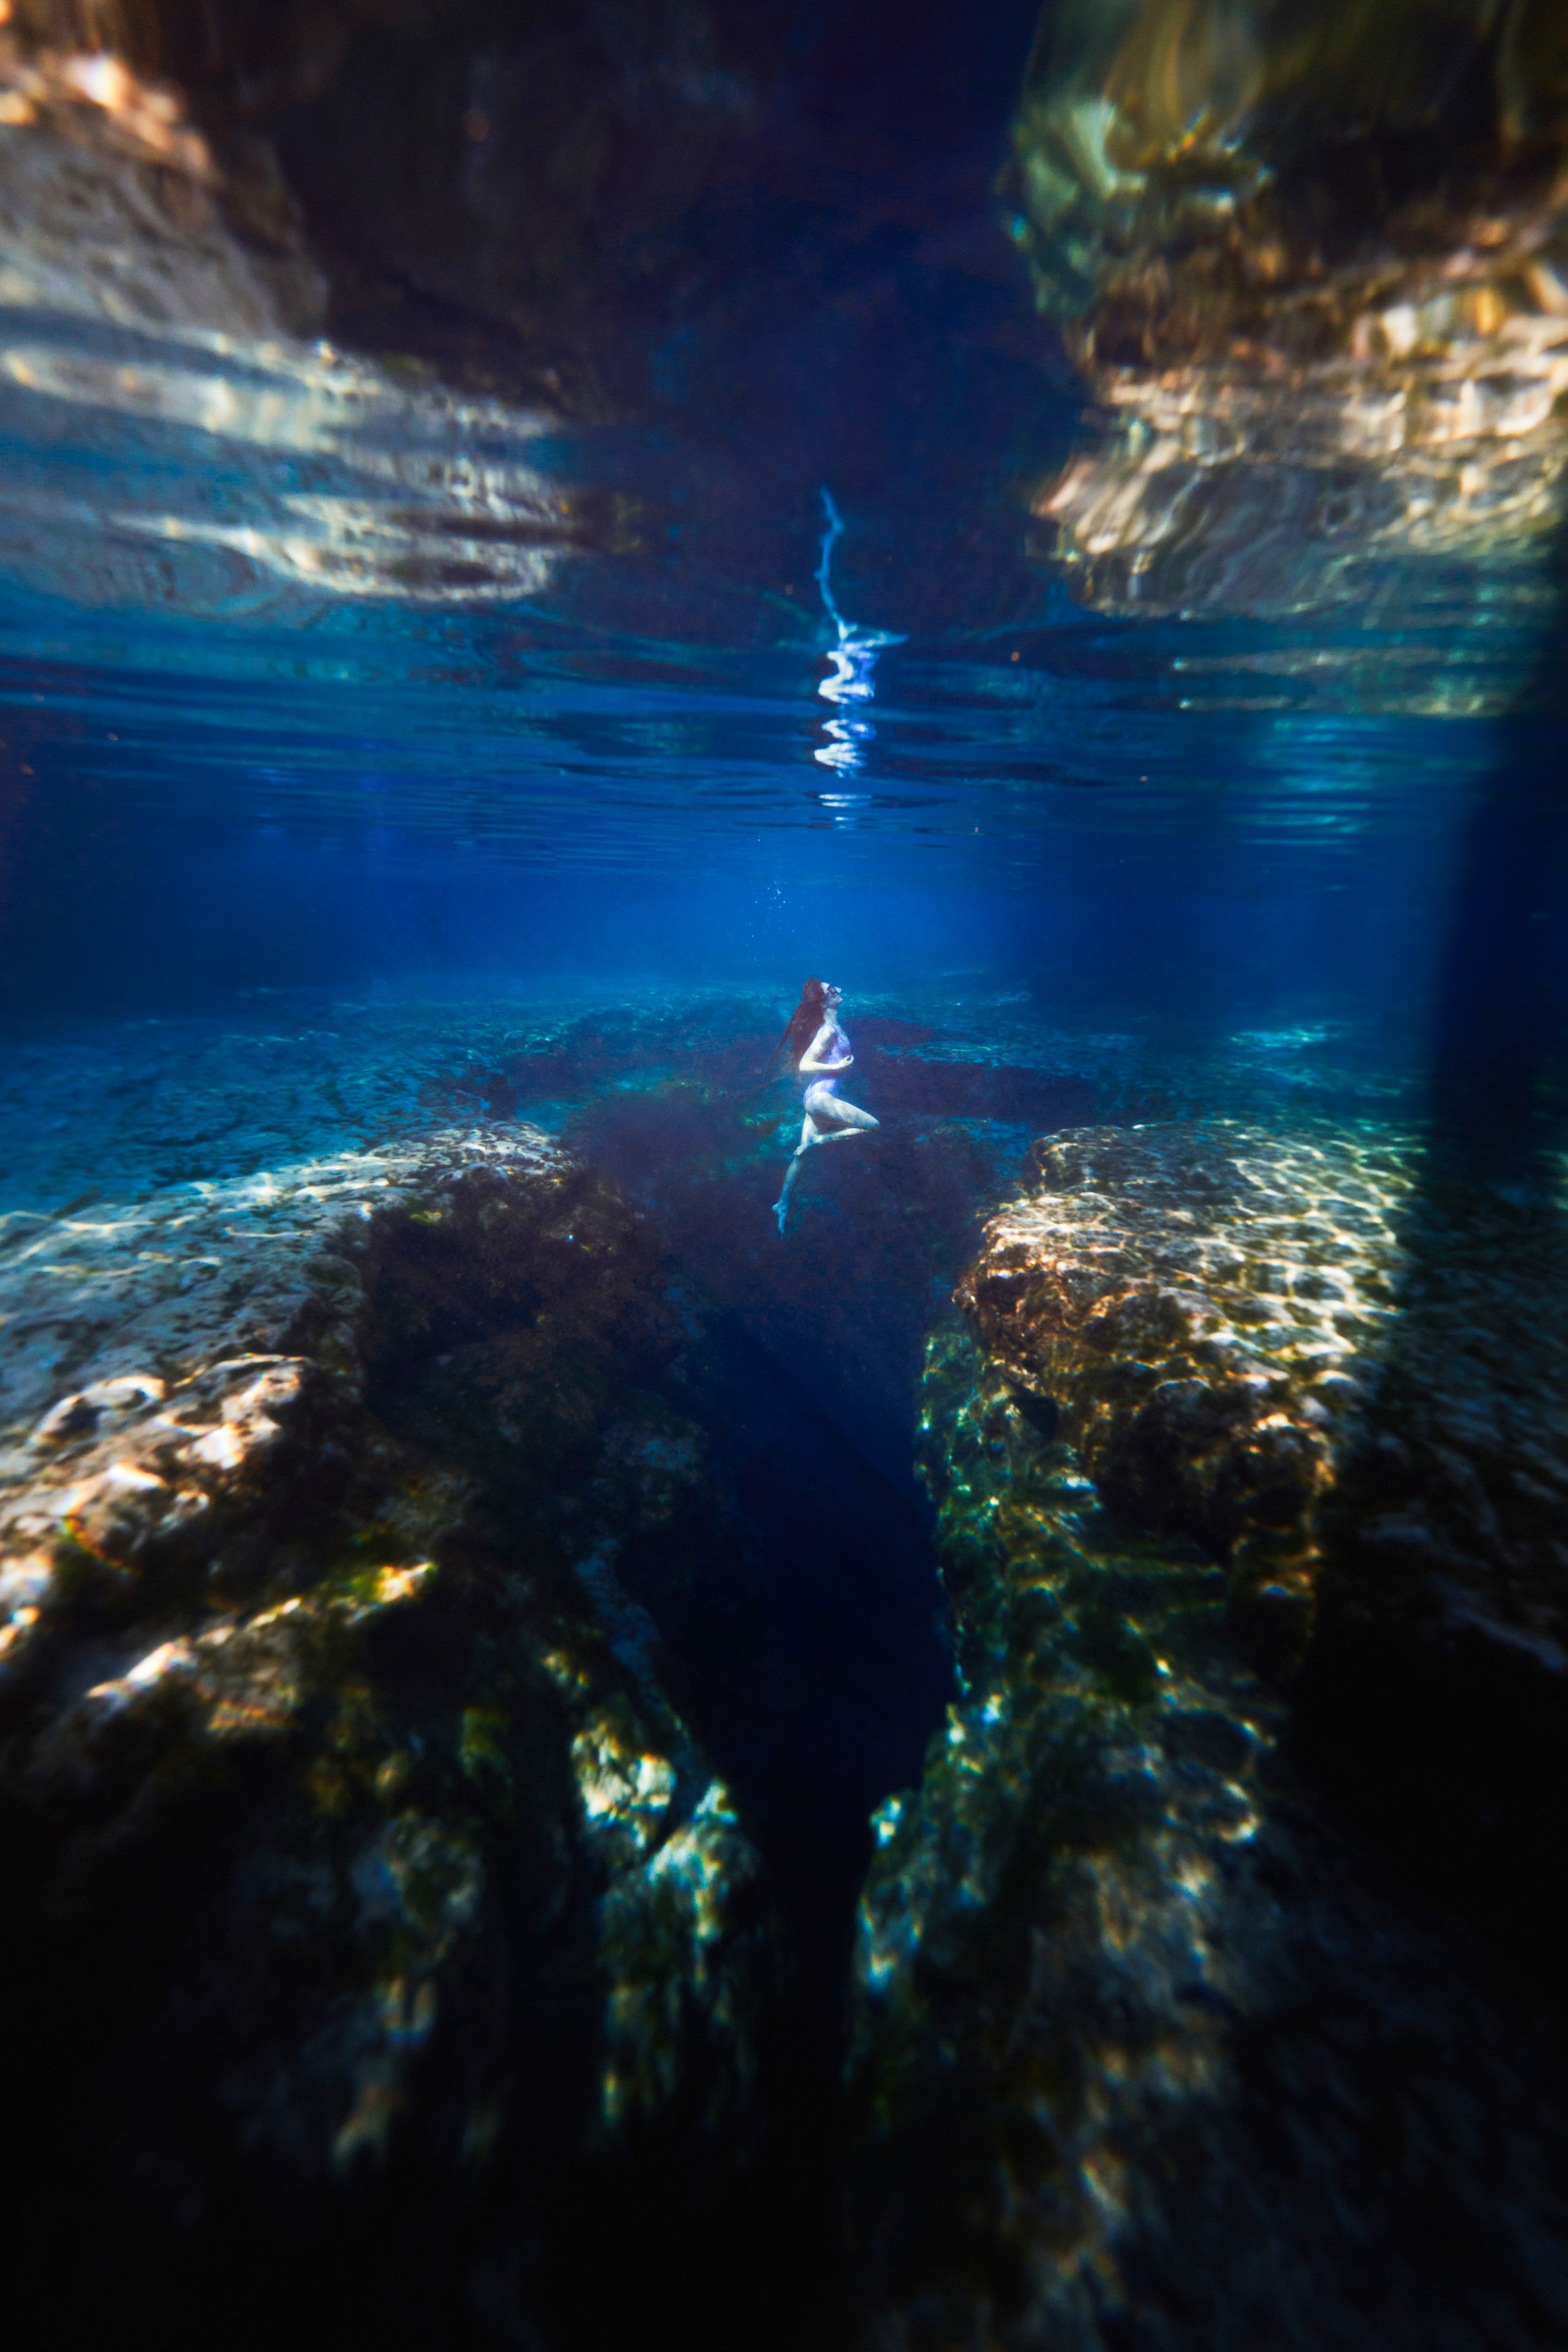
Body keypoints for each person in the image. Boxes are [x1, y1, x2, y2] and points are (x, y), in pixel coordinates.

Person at [770, 977, 879, 1232]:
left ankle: (782, 1204)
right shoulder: (827, 1030)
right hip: (821, 1099)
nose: (838, 989)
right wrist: (836, 1067)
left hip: (815, 1097)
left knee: (801, 1158)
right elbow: (804, 1065)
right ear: (823, 999)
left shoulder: (832, 1024)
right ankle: (819, 1142)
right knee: (873, 1125)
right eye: (831, 989)